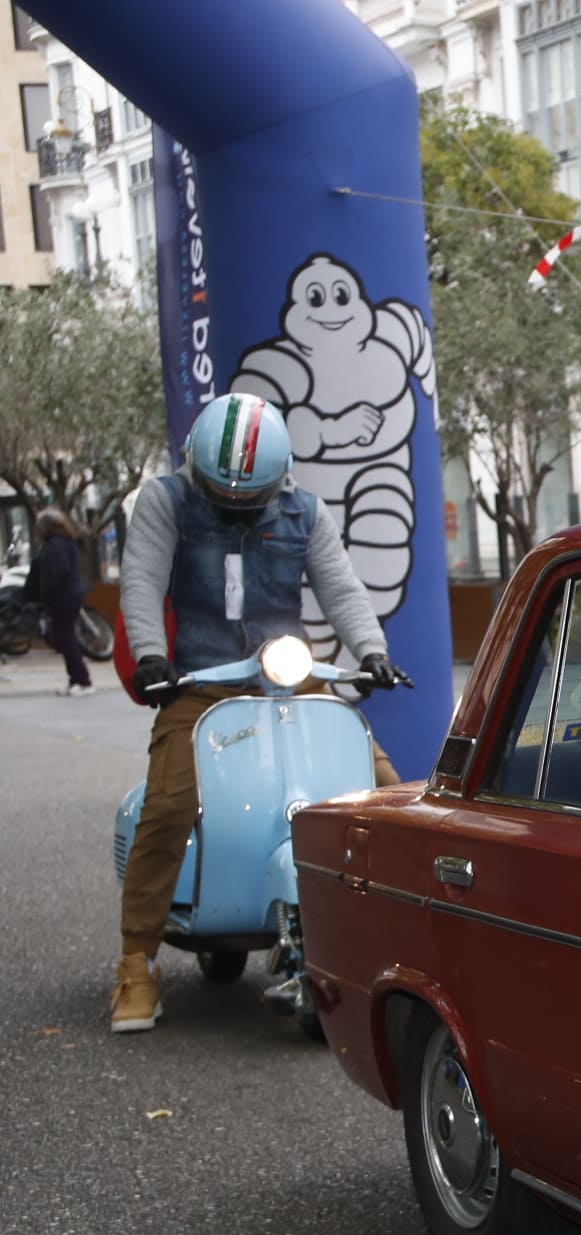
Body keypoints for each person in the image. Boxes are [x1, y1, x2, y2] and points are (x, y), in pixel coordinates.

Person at [110, 393, 412, 1035]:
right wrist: (152, 657)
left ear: (282, 477)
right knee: (167, 806)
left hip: (290, 675)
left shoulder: (306, 510)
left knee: (386, 791)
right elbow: (141, 582)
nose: (237, 506)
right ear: (196, 467)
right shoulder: (167, 501)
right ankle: (136, 962)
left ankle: (411, 938)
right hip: (198, 682)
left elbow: (340, 585)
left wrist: (373, 652)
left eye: (253, 497)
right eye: (223, 495)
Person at [32, 507, 93, 696]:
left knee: (65, 639)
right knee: (65, 638)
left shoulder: (55, 545)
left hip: (63, 598)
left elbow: (60, 572)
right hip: (68, 597)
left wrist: (48, 591)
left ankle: (83, 681)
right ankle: (75, 679)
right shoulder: (63, 542)